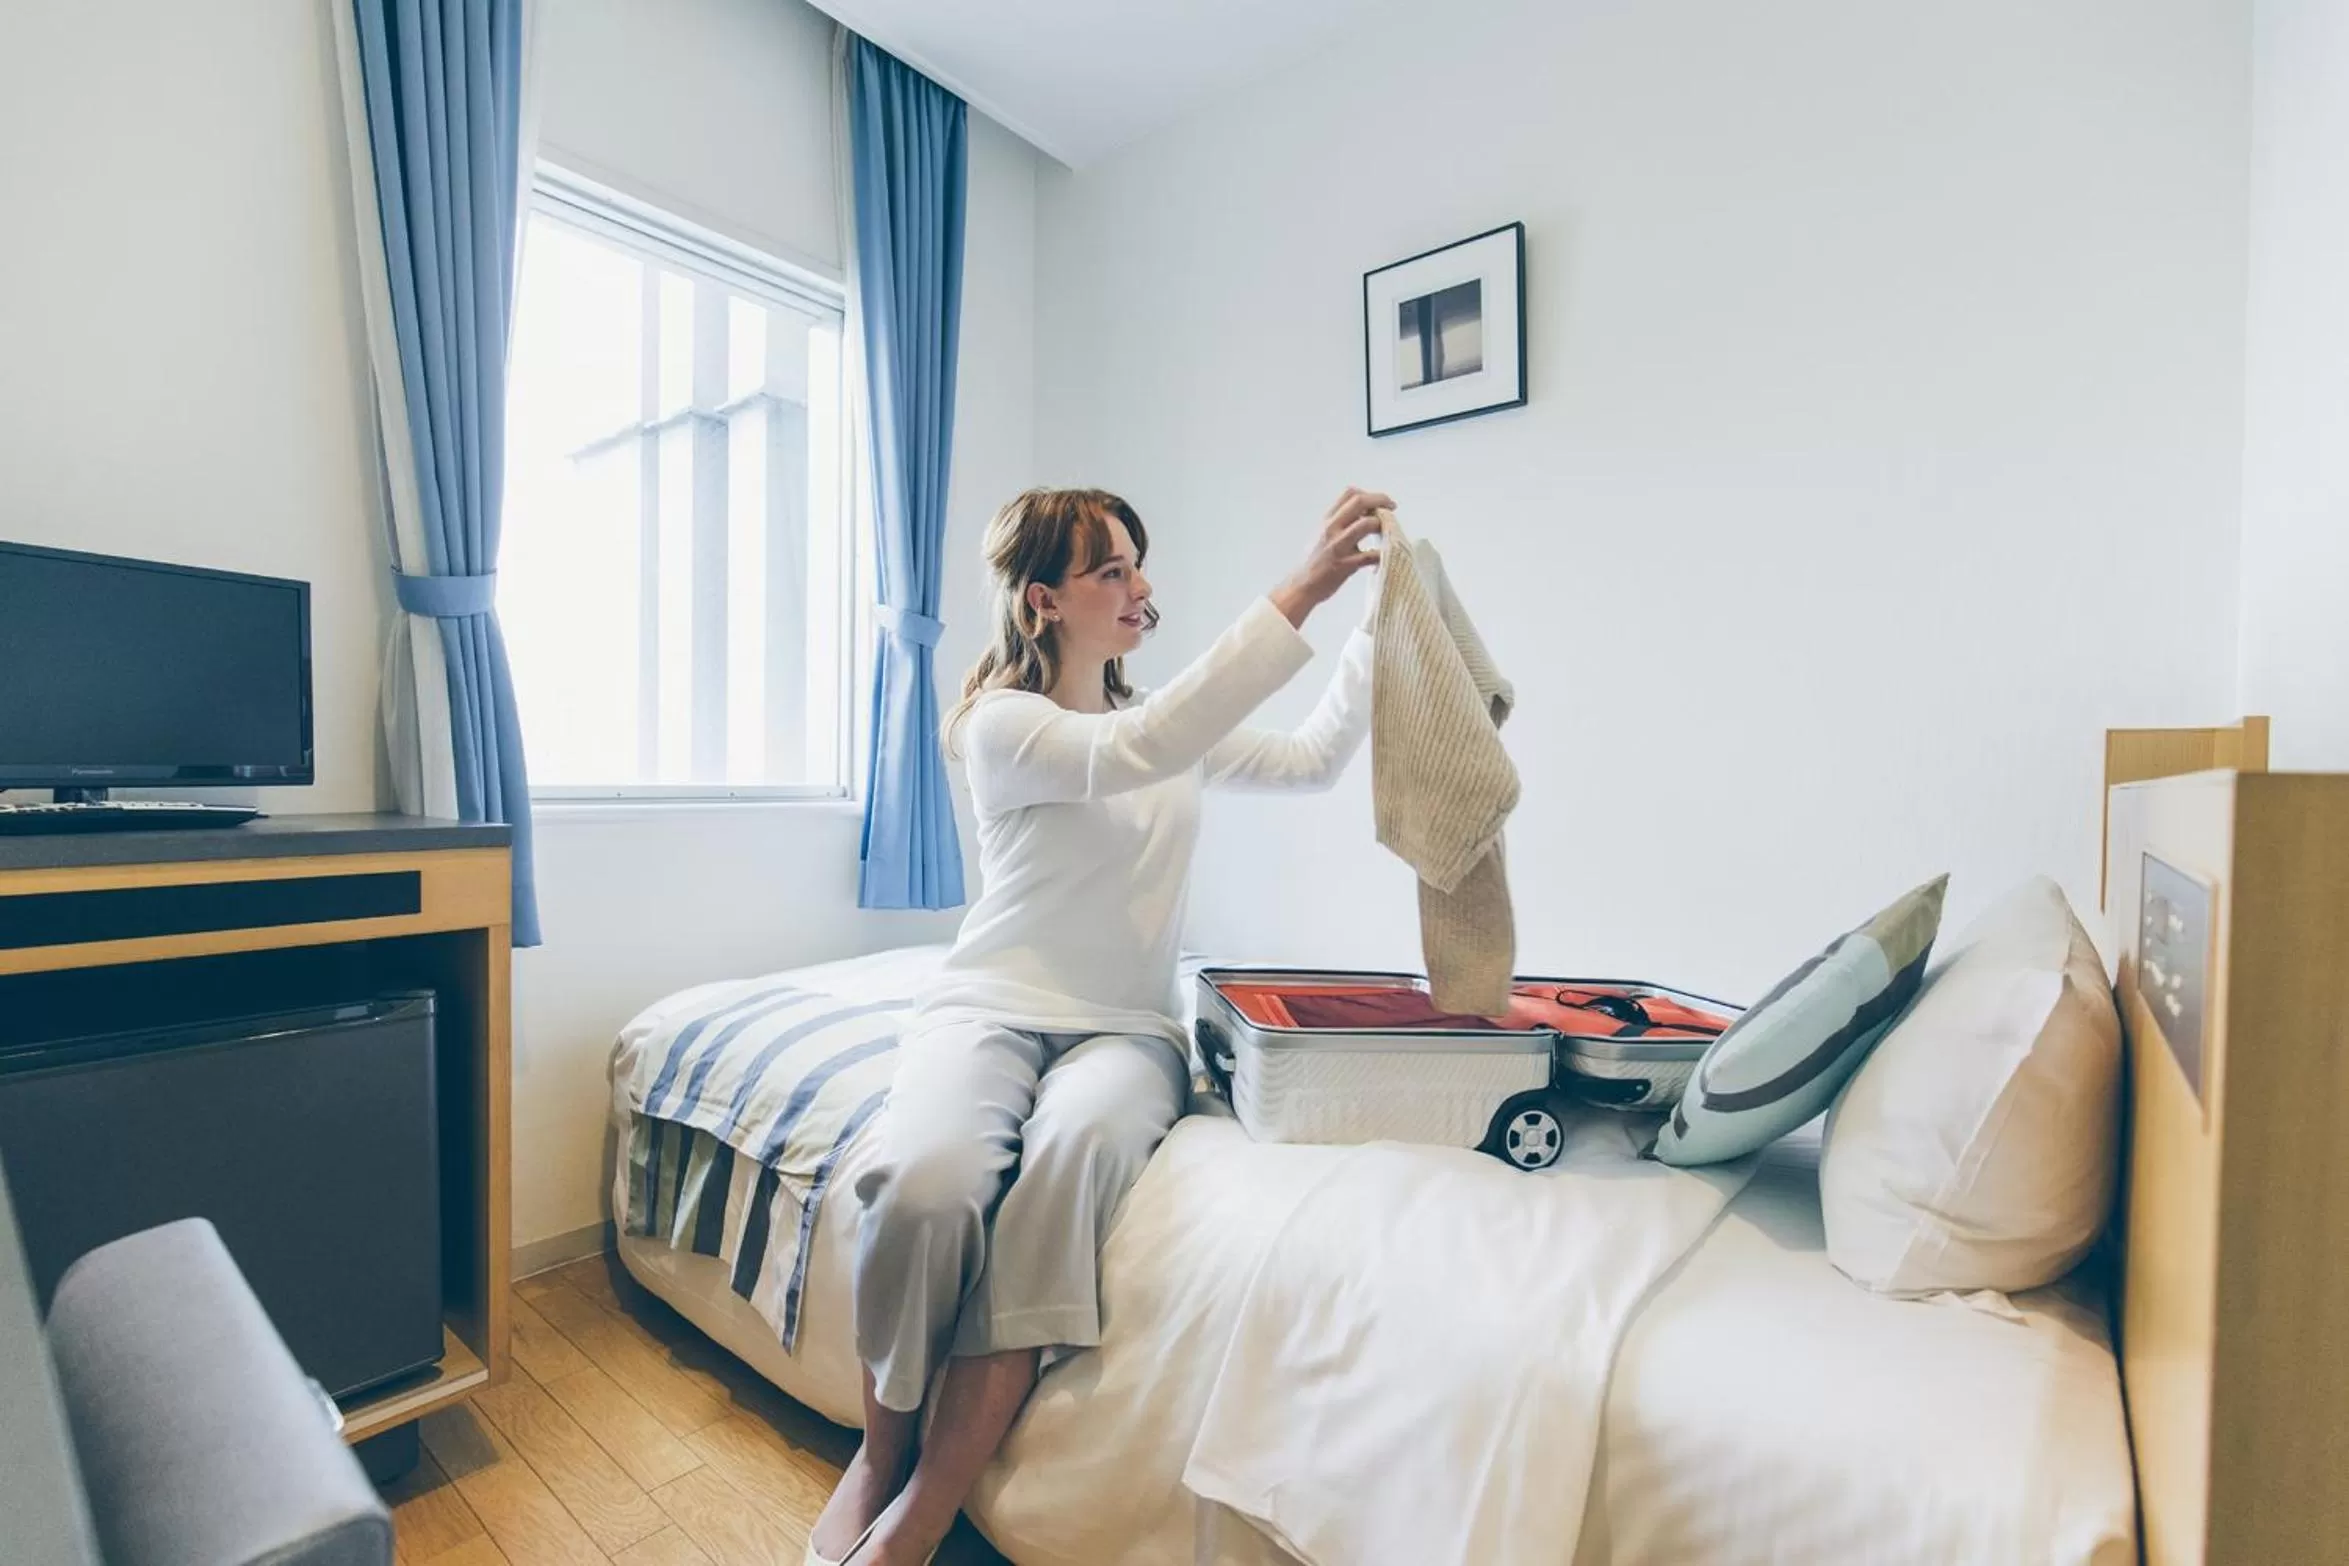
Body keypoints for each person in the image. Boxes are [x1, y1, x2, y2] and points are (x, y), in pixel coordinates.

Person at [806, 485, 1389, 1565]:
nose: (1140, 587)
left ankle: (927, 1507)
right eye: (1111, 570)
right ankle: (878, 1455)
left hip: (1123, 1030)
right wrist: (1302, 585)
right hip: (988, 1006)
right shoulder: (1004, 726)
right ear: (1041, 602)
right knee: (925, 1187)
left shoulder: (1160, 726)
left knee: (1068, 1166)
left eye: (1137, 564)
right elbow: (1138, 747)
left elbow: (1307, 760)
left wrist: (1374, 628)